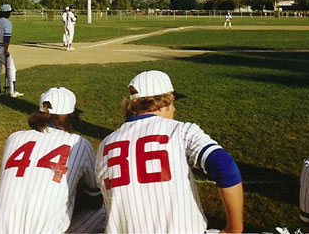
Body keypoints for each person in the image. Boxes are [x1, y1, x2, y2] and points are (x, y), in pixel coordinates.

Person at [96, 70, 244, 233]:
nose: (174, 109)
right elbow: (224, 166)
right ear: (163, 104)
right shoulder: (182, 131)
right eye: (173, 103)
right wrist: (233, 230)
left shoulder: (105, 144)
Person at [0, 87, 105, 234]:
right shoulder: (78, 143)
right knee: (103, 212)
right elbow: (95, 198)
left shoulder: (14, 138)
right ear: (70, 116)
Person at [0, 4, 22, 98]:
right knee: (11, 68)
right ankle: (12, 92)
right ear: (7, 13)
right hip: (1, 48)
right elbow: (6, 38)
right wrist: (6, 50)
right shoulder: (7, 23)